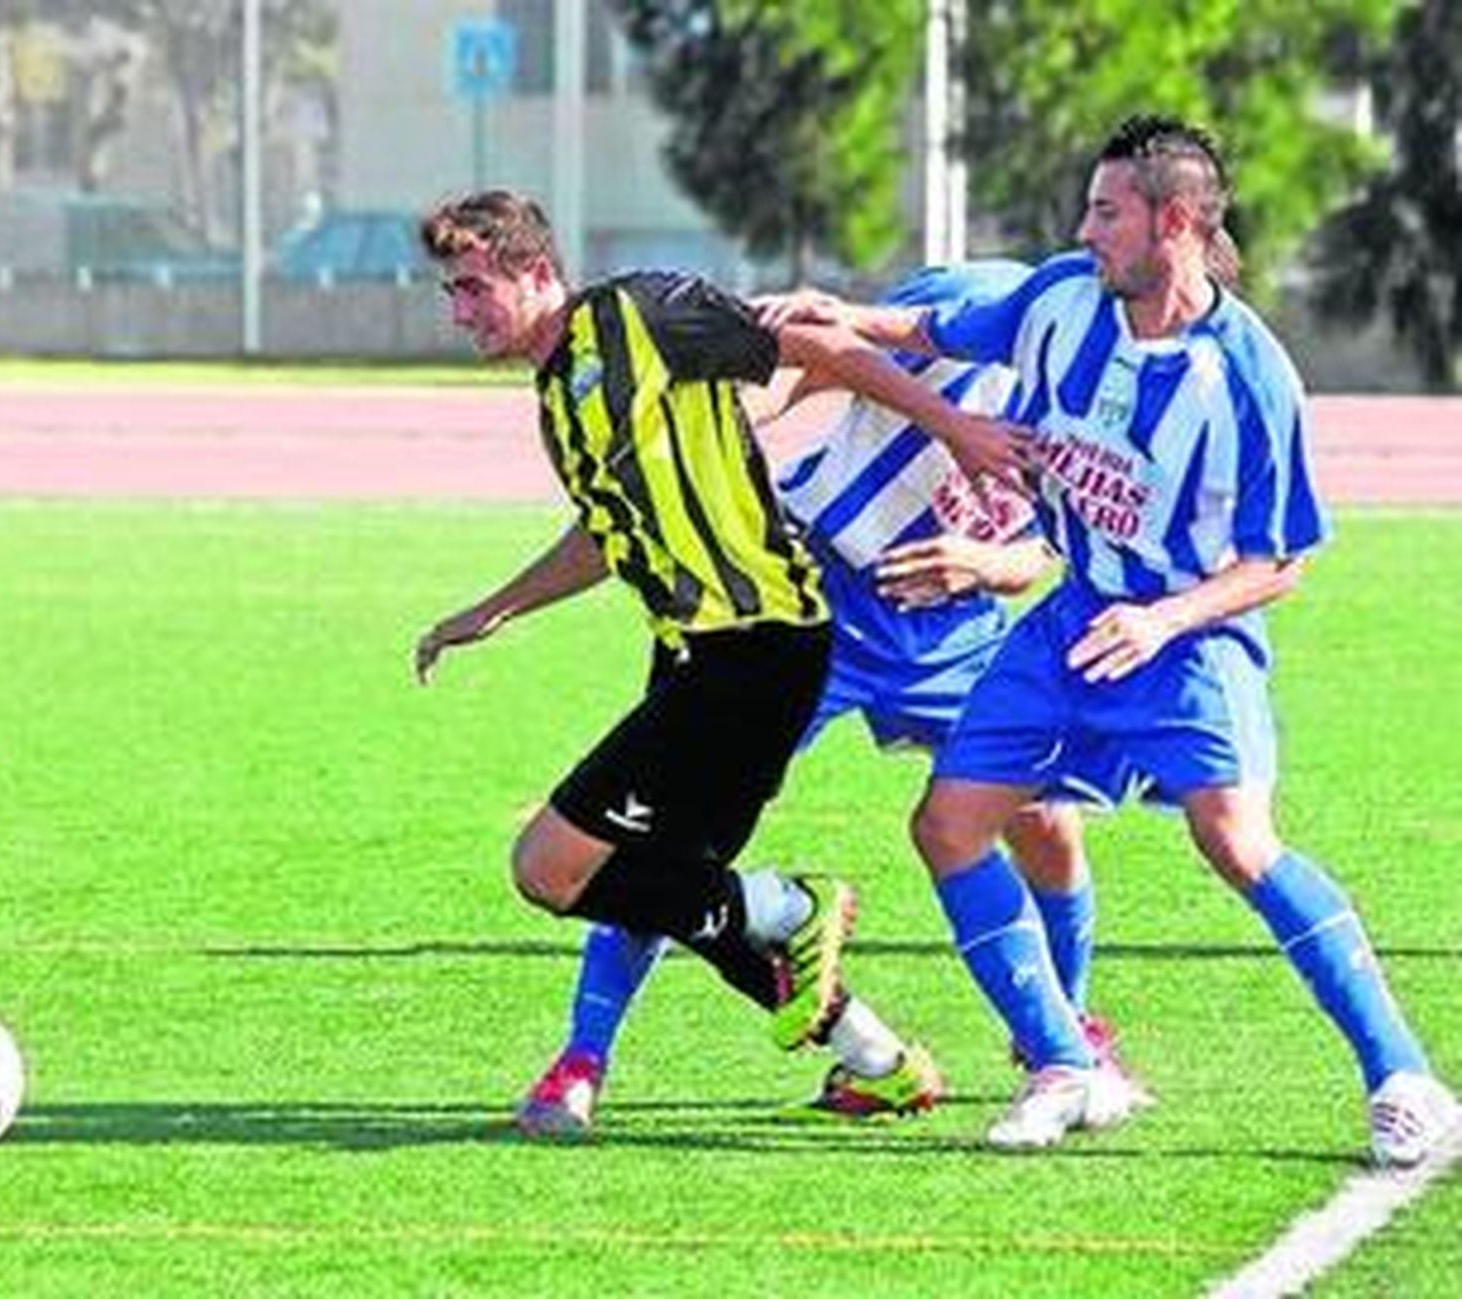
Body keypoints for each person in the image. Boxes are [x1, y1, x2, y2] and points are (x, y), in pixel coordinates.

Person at [759, 115, 1458, 1165]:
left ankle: (1402, 1075)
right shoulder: (1062, 300)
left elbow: (1279, 561)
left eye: (1106, 212)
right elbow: (948, 328)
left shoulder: (1248, 376)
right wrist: (844, 313)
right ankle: (1062, 1063)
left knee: (1236, 842)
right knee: (950, 823)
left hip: (1188, 636)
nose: (1085, 231)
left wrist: (1161, 618)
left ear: (1173, 222)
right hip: (1070, 623)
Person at [414, 192, 1027, 1123]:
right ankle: (879, 1057)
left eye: (473, 288)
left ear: (536, 271)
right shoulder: (560, 394)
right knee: (676, 889)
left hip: (757, 647)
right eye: (451, 293)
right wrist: (493, 610)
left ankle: (791, 905)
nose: (460, 311)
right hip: (698, 656)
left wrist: (951, 425)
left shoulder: (639, 312)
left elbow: (818, 348)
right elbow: (607, 533)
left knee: (549, 867)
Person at [516, 260, 1138, 1139]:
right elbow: (819, 355)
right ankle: (584, 1055)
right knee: (668, 835)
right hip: (819, 593)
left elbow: (1053, 548)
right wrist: (723, 423)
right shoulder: (973, 301)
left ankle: (1062, 1035)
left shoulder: (1124, 397)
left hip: (953, 631)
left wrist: (986, 563)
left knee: (1043, 822)